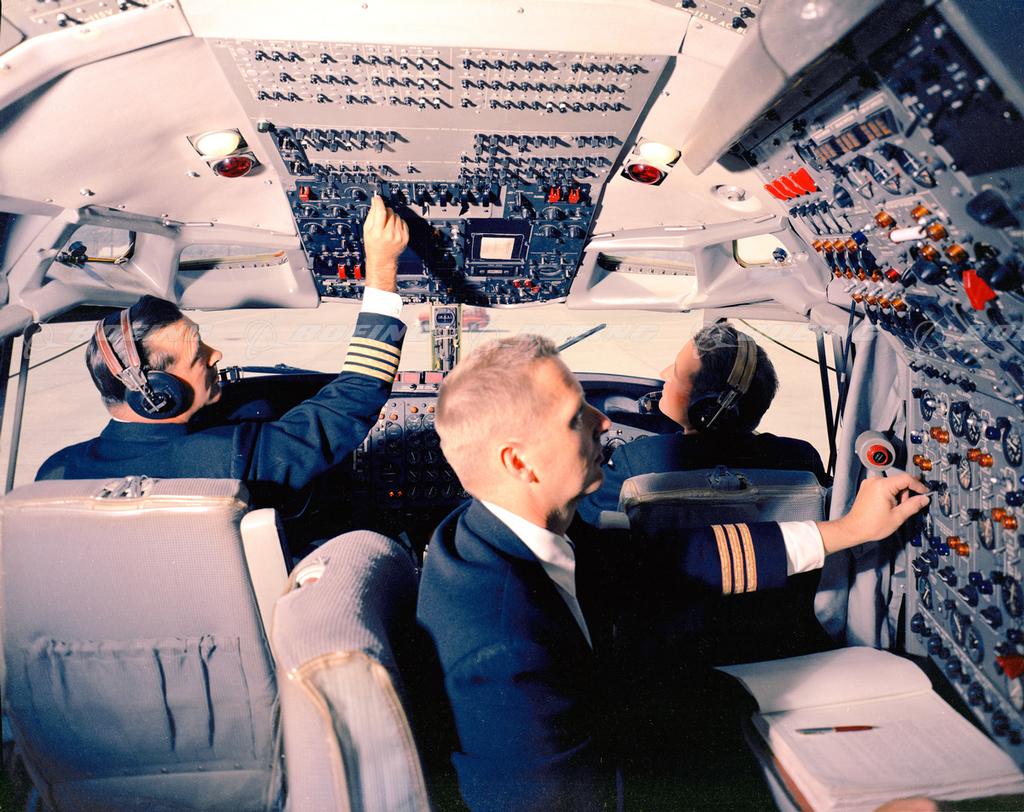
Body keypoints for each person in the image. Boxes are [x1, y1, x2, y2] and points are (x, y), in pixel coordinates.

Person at [415, 334, 929, 811]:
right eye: (576, 416)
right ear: (519, 463)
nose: (603, 422)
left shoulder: (505, 530)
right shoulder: (506, 649)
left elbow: (674, 559)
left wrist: (849, 530)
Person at [36, 195, 409, 512]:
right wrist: (381, 267)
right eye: (198, 355)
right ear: (159, 393)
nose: (216, 355)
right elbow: (354, 397)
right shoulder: (223, 459)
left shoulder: (55, 475)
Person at [578, 321, 826, 526]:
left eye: (676, 372)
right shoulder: (801, 459)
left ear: (705, 408)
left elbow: (581, 519)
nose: (664, 373)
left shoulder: (635, 460)